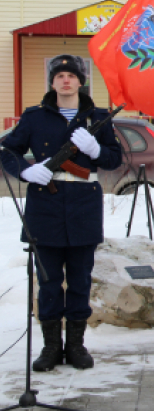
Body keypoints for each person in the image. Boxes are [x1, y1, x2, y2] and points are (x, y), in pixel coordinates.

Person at [0, 54, 122, 371]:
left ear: (81, 82)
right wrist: (26, 172)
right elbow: (7, 150)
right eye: (59, 76)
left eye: (71, 75)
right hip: (45, 205)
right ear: (52, 82)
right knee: (49, 280)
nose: (65, 80)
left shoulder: (99, 117)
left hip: (83, 205)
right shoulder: (34, 117)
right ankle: (51, 347)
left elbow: (114, 159)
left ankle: (77, 346)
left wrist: (96, 150)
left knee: (80, 279)